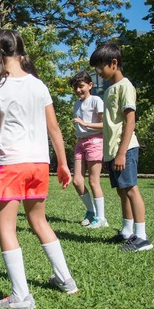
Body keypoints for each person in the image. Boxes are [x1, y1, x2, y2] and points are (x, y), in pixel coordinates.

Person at [0, 29, 78, 309]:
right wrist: (62, 163)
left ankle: (21, 297)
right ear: (20, 52)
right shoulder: (39, 84)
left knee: (6, 229)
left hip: (11, 164)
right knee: (39, 222)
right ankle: (66, 280)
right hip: (39, 163)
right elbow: (54, 128)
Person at [89, 42, 153, 252]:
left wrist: (121, 152)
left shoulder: (126, 86)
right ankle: (127, 232)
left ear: (113, 63)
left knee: (132, 189)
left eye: (100, 68)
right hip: (112, 150)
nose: (98, 73)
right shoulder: (109, 90)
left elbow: (130, 122)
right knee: (122, 191)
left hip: (124, 149)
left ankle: (142, 237)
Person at [70, 71, 108, 229]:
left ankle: (101, 219)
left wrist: (85, 124)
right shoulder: (77, 103)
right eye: (75, 88)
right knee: (77, 181)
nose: (78, 90)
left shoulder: (96, 100)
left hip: (95, 141)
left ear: (90, 85)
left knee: (93, 181)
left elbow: (104, 124)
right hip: (81, 143)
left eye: (81, 86)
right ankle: (91, 212)